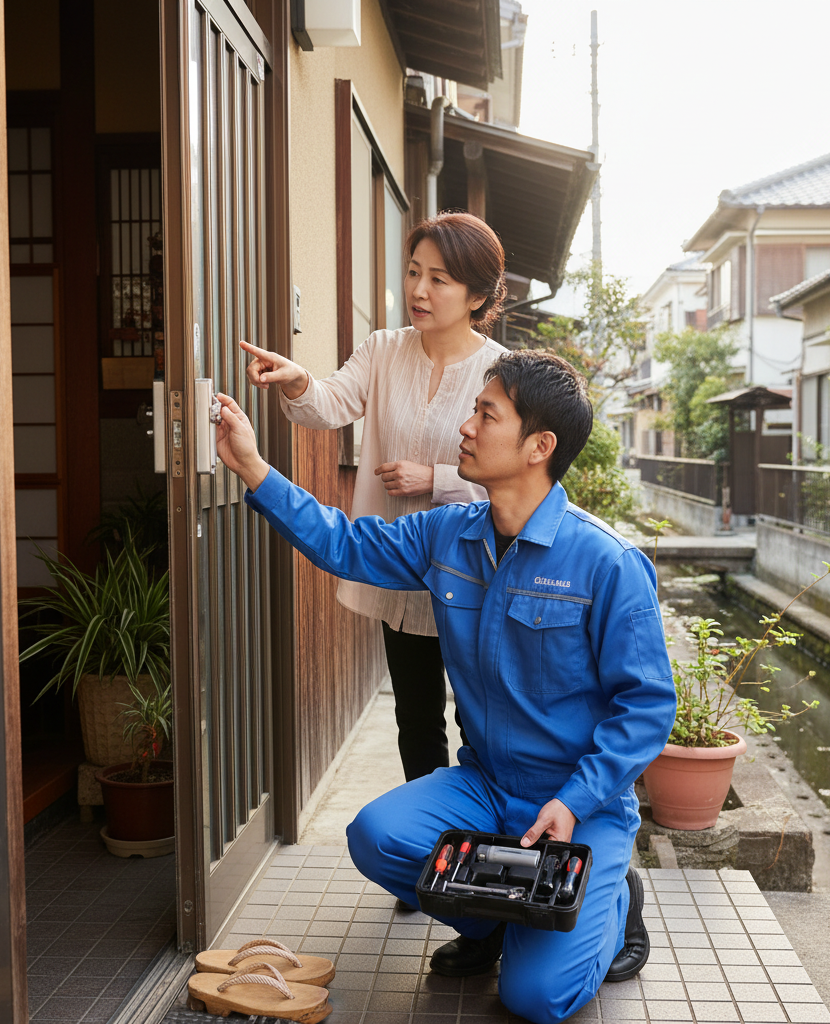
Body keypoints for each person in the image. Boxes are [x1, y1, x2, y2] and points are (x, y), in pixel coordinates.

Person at [213, 348, 677, 1024]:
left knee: (536, 999)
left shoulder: (606, 564)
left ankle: (613, 910)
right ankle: (497, 926)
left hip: (582, 809)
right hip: (487, 788)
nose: (466, 426)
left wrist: (576, 801)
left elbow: (647, 708)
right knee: (378, 834)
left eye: (486, 414)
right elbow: (343, 544)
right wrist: (253, 468)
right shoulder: (447, 535)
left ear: (537, 447)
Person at [240, 212, 507, 783]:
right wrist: (295, 379)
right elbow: (329, 404)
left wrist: (432, 479)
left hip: (471, 573)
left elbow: (512, 477)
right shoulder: (383, 348)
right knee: (415, 718)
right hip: (396, 562)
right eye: (413, 272)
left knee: (482, 723)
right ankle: (432, 844)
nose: (418, 290)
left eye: (439, 279)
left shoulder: (501, 371)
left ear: (477, 294)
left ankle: (484, 845)